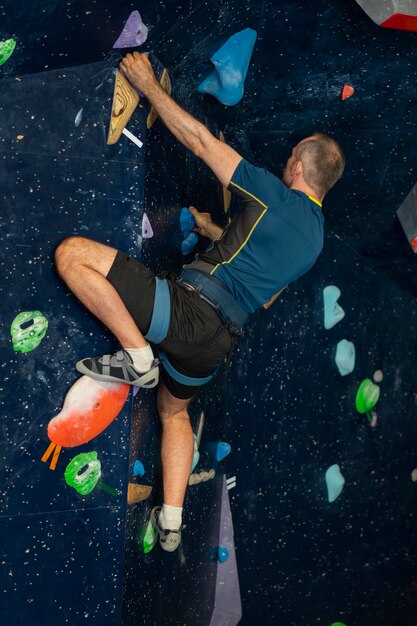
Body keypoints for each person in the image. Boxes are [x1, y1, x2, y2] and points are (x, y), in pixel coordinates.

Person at [55, 52, 345, 553]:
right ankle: (171, 520)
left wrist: (148, 84)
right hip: (217, 345)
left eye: (291, 156)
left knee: (73, 255)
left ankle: (137, 355)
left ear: (297, 164)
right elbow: (266, 289)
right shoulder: (315, 239)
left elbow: (201, 141)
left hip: (190, 313)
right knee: (173, 413)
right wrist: (214, 230)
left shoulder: (273, 194)